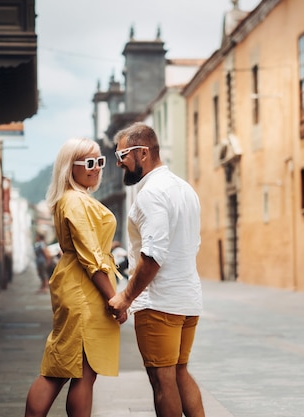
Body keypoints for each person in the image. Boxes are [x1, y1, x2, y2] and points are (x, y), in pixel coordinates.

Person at [24, 137, 127, 417]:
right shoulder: (74, 201)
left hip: (80, 287)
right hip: (84, 291)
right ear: (71, 167)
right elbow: (91, 256)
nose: (97, 169)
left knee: (75, 368)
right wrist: (114, 298)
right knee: (66, 371)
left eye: (100, 162)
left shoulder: (75, 198)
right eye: (90, 163)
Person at [108, 123, 205, 417]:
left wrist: (125, 297)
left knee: (162, 381)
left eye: (122, 154)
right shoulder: (184, 188)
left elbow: (152, 255)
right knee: (179, 373)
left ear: (143, 153)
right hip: (187, 300)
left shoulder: (151, 194)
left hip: (160, 303)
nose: (118, 161)